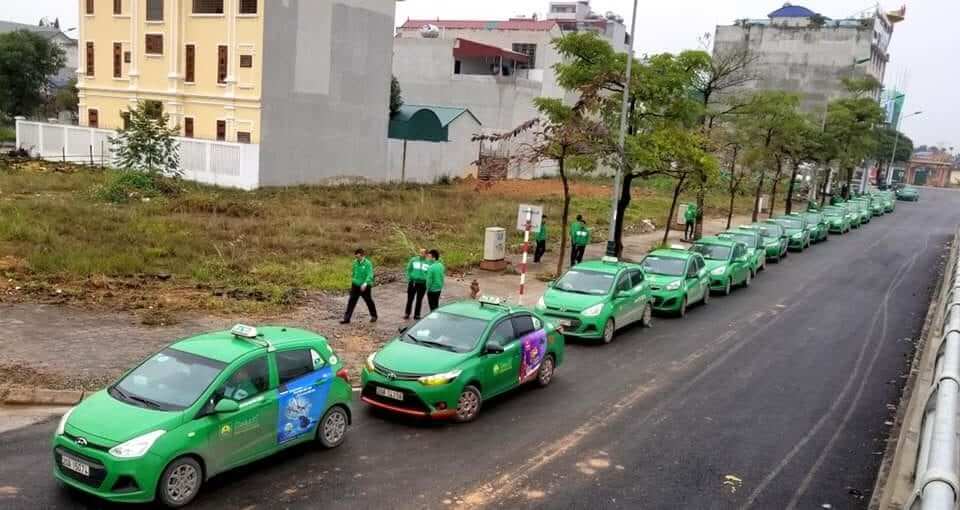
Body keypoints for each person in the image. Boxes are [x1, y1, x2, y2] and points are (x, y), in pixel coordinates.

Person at [341, 248, 377, 324]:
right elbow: (354, 272)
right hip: (355, 285)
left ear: (362, 256)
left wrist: (365, 283)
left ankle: (374, 316)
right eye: (356, 257)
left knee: (368, 300)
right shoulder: (355, 262)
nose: (357, 258)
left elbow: (370, 274)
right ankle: (346, 319)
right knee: (351, 301)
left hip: (365, 286)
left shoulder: (368, 263)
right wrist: (354, 279)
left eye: (358, 257)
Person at [403, 248, 429, 320]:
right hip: (413, 282)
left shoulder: (428, 262)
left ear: (426, 254)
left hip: (422, 284)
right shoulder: (413, 260)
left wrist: (426, 279)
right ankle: (407, 313)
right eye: (420, 252)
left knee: (419, 300)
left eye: (423, 252)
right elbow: (408, 269)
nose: (421, 253)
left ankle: (417, 315)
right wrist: (410, 277)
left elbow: (429, 273)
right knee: (410, 299)